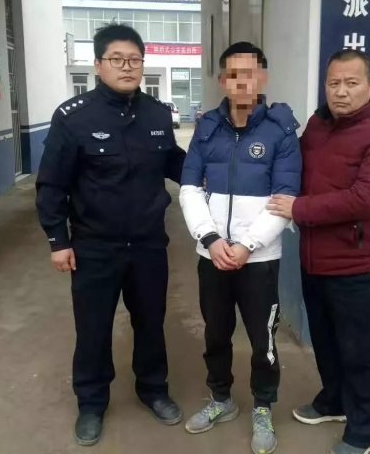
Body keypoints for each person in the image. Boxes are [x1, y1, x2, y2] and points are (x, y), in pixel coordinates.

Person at [36, 24, 186, 446]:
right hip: (94, 246)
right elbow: (51, 184)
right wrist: (58, 240)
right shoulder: (74, 116)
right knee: (94, 328)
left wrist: (213, 175)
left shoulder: (158, 114)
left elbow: (173, 162)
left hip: (148, 244)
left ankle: (153, 389)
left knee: (150, 322)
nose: (127, 67)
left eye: (135, 60)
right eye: (117, 59)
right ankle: (91, 403)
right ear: (98, 64)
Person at [267, 50, 370, 454]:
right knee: (326, 342)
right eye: (333, 83)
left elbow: (366, 199)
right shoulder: (318, 125)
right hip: (315, 261)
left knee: (362, 351)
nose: (341, 92)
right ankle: (335, 401)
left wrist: (299, 209)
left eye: (351, 83)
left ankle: (364, 429)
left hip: (359, 265)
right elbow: (292, 165)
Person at [179, 41, 302, 454]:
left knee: (262, 339)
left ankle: (262, 406)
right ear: (222, 80)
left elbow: (285, 199)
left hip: (259, 260)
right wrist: (210, 239)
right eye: (233, 74)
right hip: (211, 256)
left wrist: (248, 245)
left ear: (262, 77)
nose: (242, 82)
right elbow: (189, 188)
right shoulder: (206, 129)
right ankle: (221, 398)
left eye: (250, 73)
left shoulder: (281, 131)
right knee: (216, 333)